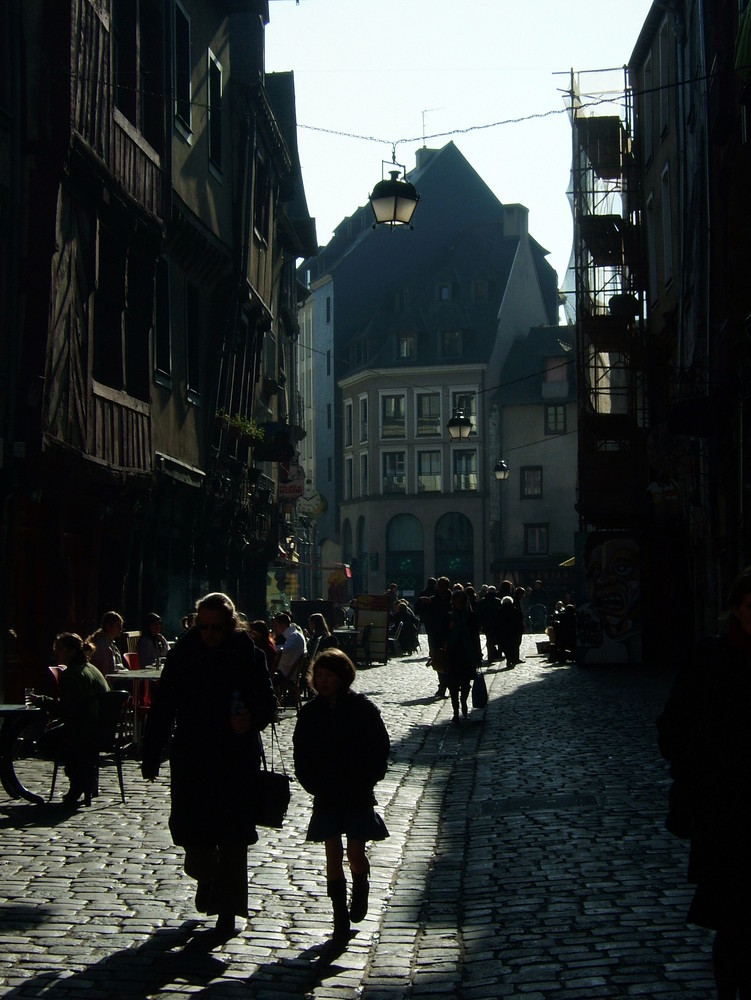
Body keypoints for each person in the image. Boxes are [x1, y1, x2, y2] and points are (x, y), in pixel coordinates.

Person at [140, 592, 277, 937]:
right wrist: (152, 752)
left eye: (216, 627)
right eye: (203, 627)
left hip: (235, 756)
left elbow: (268, 703)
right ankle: (207, 872)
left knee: (232, 835)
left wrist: (252, 718)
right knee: (188, 826)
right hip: (193, 755)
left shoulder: (248, 654)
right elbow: (164, 705)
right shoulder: (184, 653)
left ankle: (227, 912)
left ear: (230, 624)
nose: (210, 634)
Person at [657, 571, 751, 999]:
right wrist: (697, 773)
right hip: (727, 809)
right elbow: (673, 727)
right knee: (733, 921)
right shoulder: (711, 659)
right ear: (736, 607)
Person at [293, 648, 390, 943]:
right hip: (326, 792)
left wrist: (370, 776)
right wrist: (311, 782)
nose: (323, 681)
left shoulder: (362, 708)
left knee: (355, 853)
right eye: (318, 675)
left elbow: (380, 745)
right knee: (332, 854)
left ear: (342, 677)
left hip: (357, 790)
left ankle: (360, 883)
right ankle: (339, 915)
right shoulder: (310, 713)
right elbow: (302, 753)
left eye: (329, 676)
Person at [32, 632, 110, 807]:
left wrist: (42, 701)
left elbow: (67, 709)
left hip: (85, 730)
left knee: (46, 742)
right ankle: (86, 776)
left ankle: (79, 780)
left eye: (60, 649)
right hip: (102, 729)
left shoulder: (72, 674)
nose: (56, 653)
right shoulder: (92, 669)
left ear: (72, 651)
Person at [445, 587, 481, 723]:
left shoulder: (471, 617)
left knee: (465, 684)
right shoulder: (449, 616)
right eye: (457, 601)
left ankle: (464, 702)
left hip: (467, 653)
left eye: (461, 601)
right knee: (453, 685)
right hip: (453, 654)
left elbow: (475, 636)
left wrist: (478, 653)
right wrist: (449, 629)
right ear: (453, 603)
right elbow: (442, 634)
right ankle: (455, 712)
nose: (459, 604)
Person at [270, 611, 307, 683]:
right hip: (289, 672)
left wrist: (272, 648)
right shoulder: (294, 634)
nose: (274, 628)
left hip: (287, 675)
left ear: (283, 625)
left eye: (276, 625)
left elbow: (285, 650)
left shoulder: (294, 637)